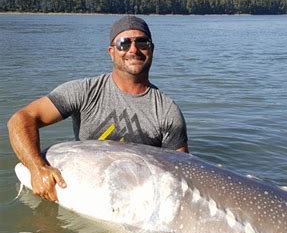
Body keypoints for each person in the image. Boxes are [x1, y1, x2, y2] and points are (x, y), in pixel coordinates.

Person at [8, 15, 188, 202]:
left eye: (142, 42)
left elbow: (183, 176)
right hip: (89, 193)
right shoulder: (84, 91)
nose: (133, 50)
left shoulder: (167, 111)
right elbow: (22, 119)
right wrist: (37, 169)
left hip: (138, 203)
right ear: (111, 51)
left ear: (151, 49)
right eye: (124, 44)